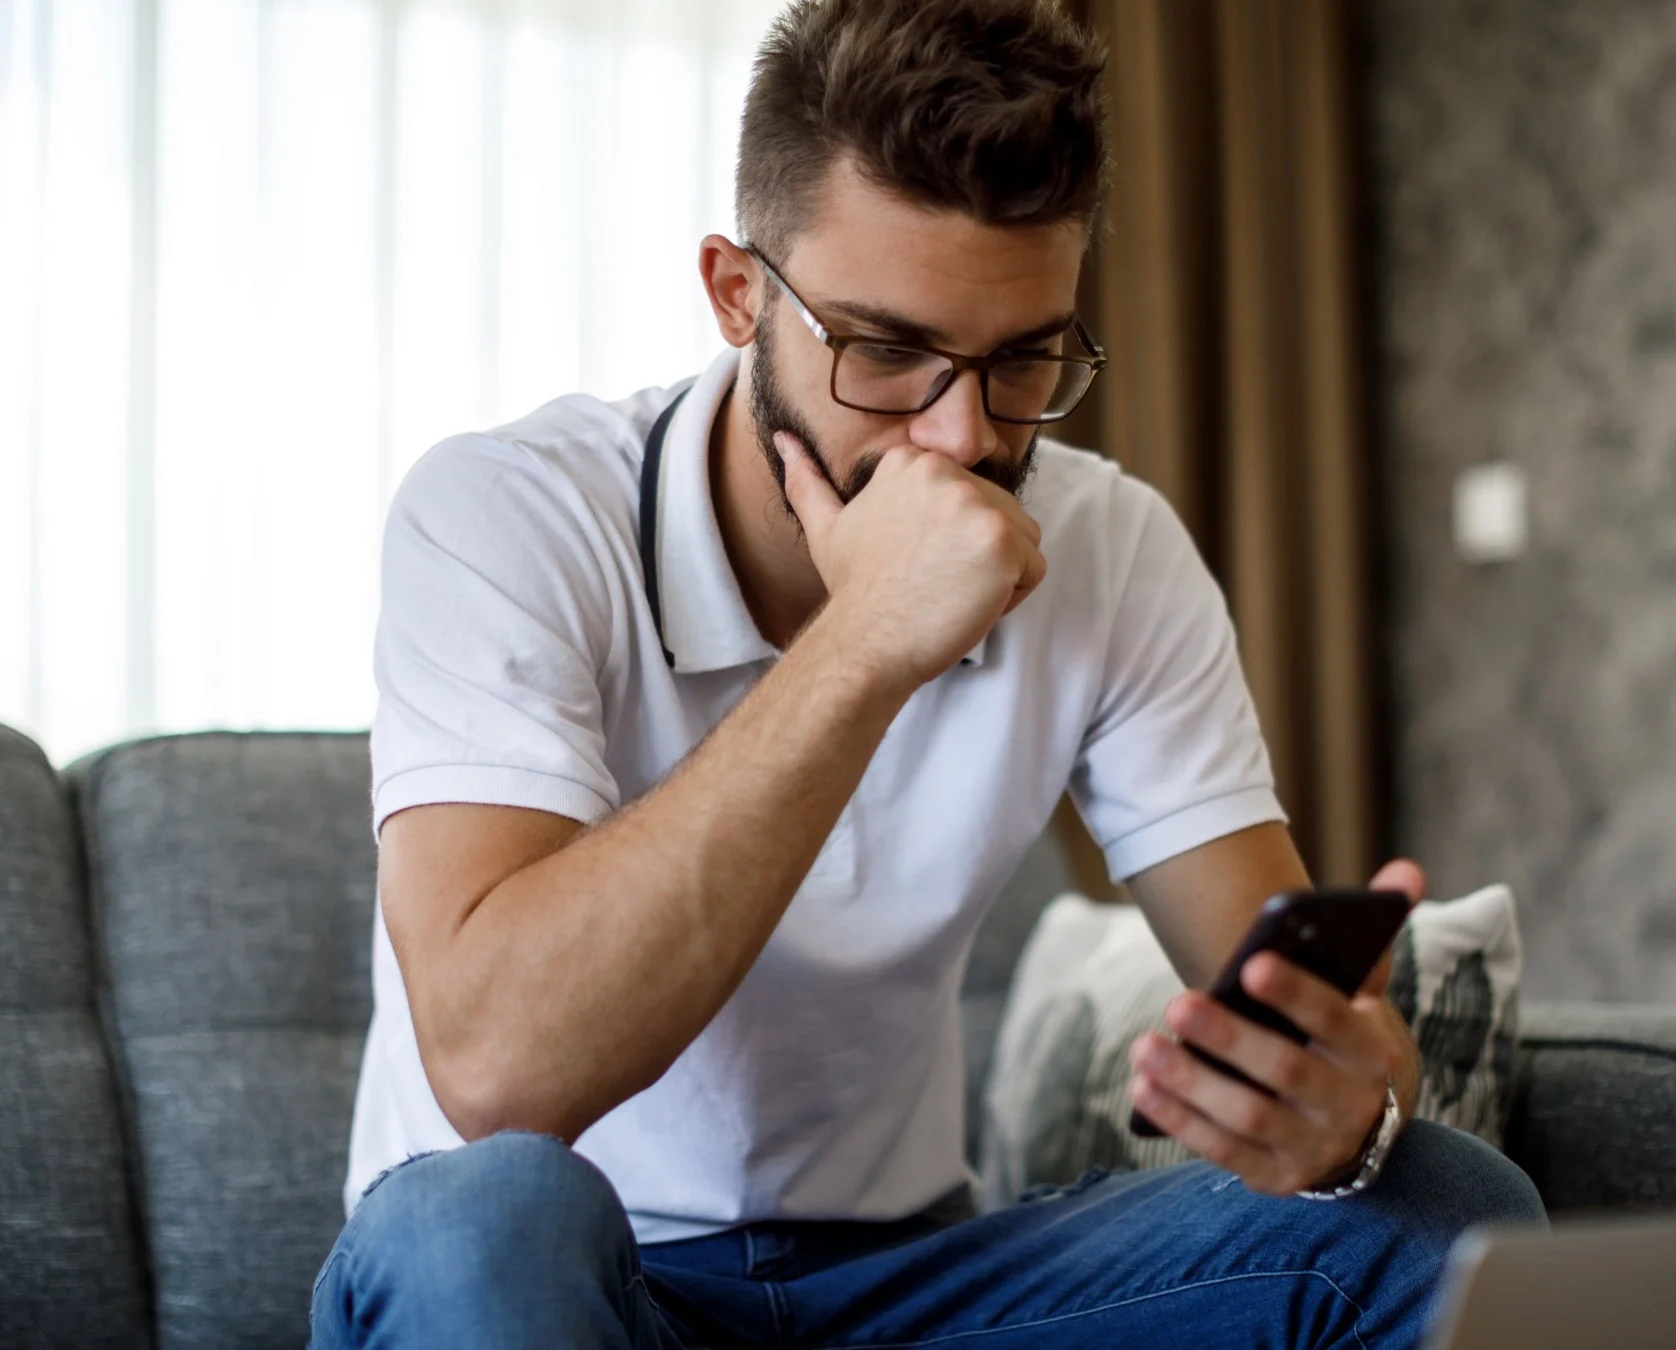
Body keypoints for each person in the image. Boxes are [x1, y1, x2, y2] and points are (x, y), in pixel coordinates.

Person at [311, 1, 1543, 1344]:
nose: (959, 438)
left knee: (1441, 1206)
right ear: (736, 294)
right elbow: (501, 1071)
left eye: (1022, 360)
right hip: (564, 1283)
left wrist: (1351, 1105)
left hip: (906, 1290)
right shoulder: (505, 512)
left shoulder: (1113, 547)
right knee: (480, 1217)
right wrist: (867, 640)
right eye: (887, 352)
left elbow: (1302, 1011)